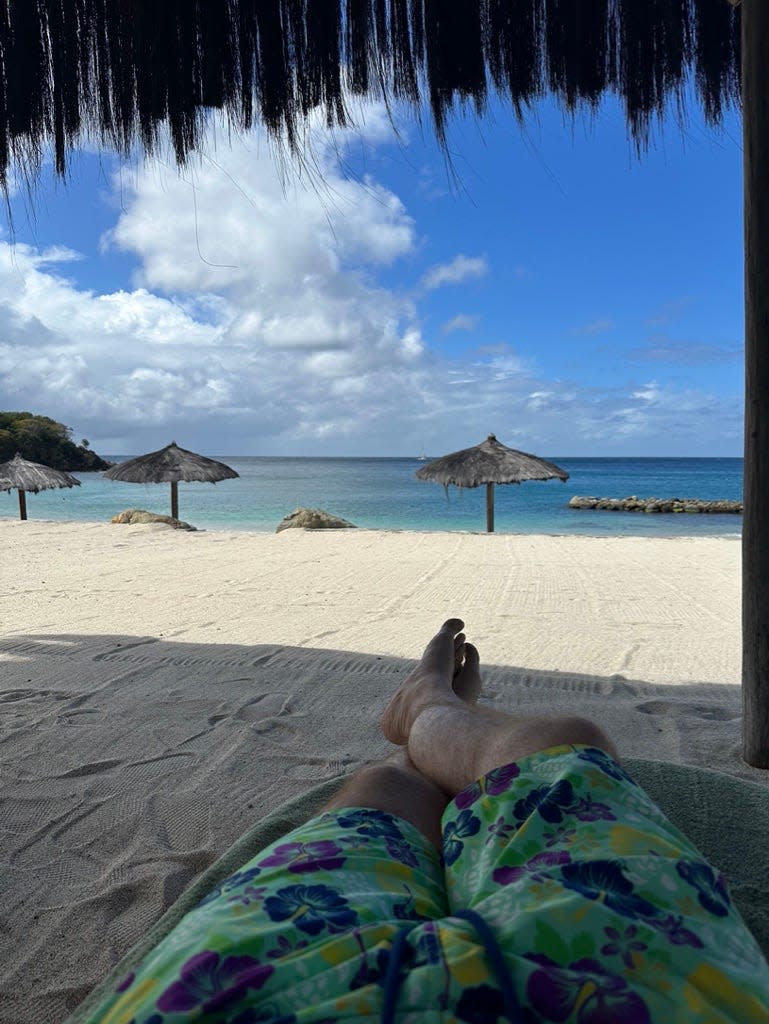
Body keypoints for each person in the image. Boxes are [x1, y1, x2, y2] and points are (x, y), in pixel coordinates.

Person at [91, 620, 769, 1023]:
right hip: (629, 983)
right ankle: (427, 713)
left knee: (393, 786)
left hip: (231, 1000)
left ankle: (426, 717)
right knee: (558, 745)